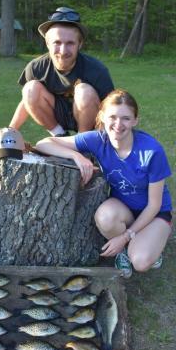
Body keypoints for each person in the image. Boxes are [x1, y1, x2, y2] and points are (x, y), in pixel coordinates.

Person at [36, 89, 173, 278]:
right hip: (124, 209)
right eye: (113, 117)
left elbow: (154, 204)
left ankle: (149, 242)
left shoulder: (152, 151)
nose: (118, 124)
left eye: (126, 118)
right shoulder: (97, 140)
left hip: (155, 213)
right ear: (102, 116)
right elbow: (43, 143)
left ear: (135, 121)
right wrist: (75, 155)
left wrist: (125, 236)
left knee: (141, 262)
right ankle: (127, 250)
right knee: (105, 217)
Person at [10, 6, 114, 138]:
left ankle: (84, 142)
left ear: (80, 44)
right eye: (57, 43)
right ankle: (59, 135)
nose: (63, 51)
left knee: (84, 91)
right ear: (47, 43)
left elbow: (112, 107)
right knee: (29, 88)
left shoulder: (97, 70)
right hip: (57, 114)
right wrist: (10, 130)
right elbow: (26, 100)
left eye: (70, 43)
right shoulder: (36, 67)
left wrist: (115, 137)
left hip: (89, 119)